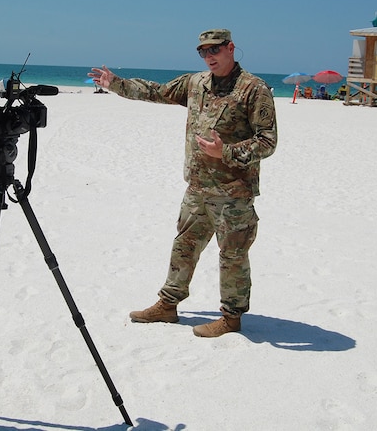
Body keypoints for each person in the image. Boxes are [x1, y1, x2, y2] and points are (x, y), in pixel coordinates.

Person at [88, 29, 278, 338]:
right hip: (198, 187)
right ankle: (167, 304)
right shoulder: (195, 83)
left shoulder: (253, 89)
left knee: (232, 255)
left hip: (233, 193)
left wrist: (226, 152)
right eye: (203, 52)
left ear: (231, 48)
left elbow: (268, 141)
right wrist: (117, 85)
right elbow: (158, 91)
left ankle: (231, 318)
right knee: (184, 246)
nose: (209, 56)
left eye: (215, 49)